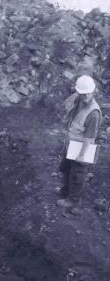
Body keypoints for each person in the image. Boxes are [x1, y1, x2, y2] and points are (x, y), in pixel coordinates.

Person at [57, 75, 102, 210]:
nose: (86, 97)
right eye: (83, 94)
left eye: (88, 94)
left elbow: (89, 137)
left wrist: (82, 155)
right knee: (65, 167)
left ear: (93, 91)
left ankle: (73, 200)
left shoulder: (94, 113)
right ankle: (65, 191)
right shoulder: (79, 100)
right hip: (71, 142)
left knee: (78, 174)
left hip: (82, 147)